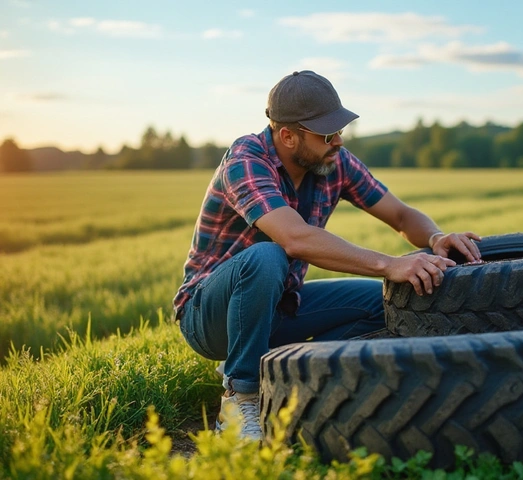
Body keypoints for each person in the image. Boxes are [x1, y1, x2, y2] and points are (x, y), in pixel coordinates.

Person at [173, 70, 482, 441]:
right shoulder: (246, 160)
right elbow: (295, 239)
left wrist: (435, 236)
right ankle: (241, 397)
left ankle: (282, 372)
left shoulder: (335, 161)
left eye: (339, 130)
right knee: (267, 255)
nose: (337, 141)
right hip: (208, 315)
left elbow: (400, 214)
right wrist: (390, 263)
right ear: (287, 135)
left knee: (388, 302)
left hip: (281, 305)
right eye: (326, 134)